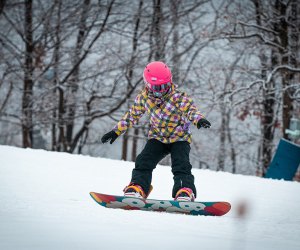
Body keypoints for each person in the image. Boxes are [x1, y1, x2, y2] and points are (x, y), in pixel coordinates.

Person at [101, 61, 211, 202]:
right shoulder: (144, 98)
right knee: (144, 160)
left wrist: (199, 120)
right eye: (156, 87)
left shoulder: (178, 97)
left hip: (179, 138)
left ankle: (184, 190)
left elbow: (190, 110)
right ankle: (138, 187)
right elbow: (132, 116)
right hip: (157, 138)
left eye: (164, 86)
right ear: (147, 85)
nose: (160, 91)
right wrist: (116, 131)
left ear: (169, 82)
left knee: (181, 164)